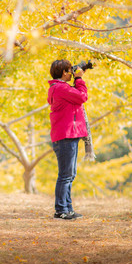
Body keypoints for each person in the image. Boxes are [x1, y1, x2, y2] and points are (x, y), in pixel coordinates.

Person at [47, 59, 88, 220]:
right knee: (65, 175)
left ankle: (67, 208)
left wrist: (79, 76)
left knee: (70, 174)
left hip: (69, 134)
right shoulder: (60, 88)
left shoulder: (60, 88)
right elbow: (82, 97)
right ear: (64, 72)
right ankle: (61, 210)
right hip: (66, 135)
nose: (72, 73)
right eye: (70, 70)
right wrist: (79, 79)